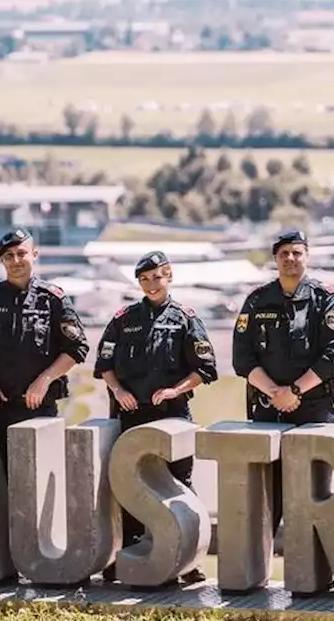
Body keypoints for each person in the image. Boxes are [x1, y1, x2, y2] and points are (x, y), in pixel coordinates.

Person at [94, 250, 217, 586]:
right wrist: (118, 391)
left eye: (157, 277)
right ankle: (130, 557)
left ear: (169, 276)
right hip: (131, 417)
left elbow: (204, 370)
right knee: (128, 487)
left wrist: (177, 390)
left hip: (172, 416)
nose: (151, 284)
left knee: (179, 488)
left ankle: (187, 560)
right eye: (145, 279)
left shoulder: (185, 318)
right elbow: (104, 363)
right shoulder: (123, 318)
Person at [232, 229, 334, 537]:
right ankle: (253, 573)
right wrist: (276, 393)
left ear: (306, 257)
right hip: (267, 409)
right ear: (275, 259)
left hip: (314, 409)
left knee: (315, 493)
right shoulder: (257, 300)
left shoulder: (325, 298)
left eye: (297, 253)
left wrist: (295, 391)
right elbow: (242, 359)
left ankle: (316, 576)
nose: (290, 259)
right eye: (284, 253)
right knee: (265, 497)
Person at [0, 228, 90, 474]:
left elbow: (77, 347)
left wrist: (45, 380)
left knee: (38, 480)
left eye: (21, 253)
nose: (15, 261)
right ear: (2, 260)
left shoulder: (53, 299)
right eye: (8, 256)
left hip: (40, 409)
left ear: (34, 254)